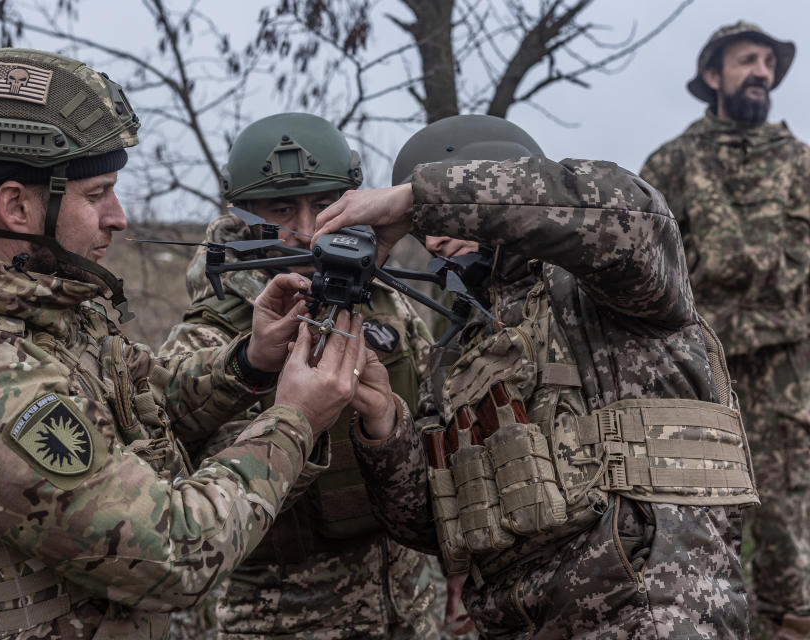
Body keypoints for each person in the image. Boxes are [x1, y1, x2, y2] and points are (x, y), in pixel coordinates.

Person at [0, 48, 368, 639]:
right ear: (17, 205)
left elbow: (140, 398)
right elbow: (174, 555)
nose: (118, 217)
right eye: (97, 194)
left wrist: (248, 363)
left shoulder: (38, 308)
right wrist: (295, 420)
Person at [314, 114, 759, 638]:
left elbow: (629, 216)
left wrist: (420, 198)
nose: (433, 243)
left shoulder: (603, 289)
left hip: (650, 610)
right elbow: (434, 524)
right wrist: (383, 424)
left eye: (437, 220)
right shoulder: (457, 352)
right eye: (422, 230)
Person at [160, 112, 447, 639]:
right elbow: (198, 502)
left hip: (412, 605)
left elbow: (435, 427)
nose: (311, 227)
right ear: (245, 219)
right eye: (281, 209)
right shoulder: (211, 336)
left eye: (324, 204)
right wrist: (299, 414)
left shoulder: (387, 305)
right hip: (283, 617)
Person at [640, 22, 810, 638]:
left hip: (788, 375)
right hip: (700, 373)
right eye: (747, 60)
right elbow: (646, 269)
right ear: (714, 75)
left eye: (769, 61)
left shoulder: (800, 162)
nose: (762, 71)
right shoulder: (672, 162)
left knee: (787, 527)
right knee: (700, 521)